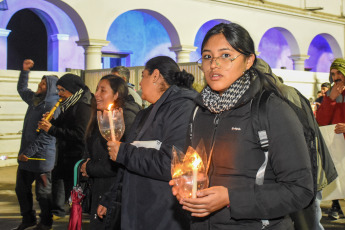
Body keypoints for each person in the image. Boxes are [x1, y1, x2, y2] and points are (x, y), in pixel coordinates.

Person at [170, 23, 314, 229]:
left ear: (248, 61)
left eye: (226, 55)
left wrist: (231, 198)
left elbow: (300, 190)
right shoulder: (199, 110)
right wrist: (184, 183)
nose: (214, 64)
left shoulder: (271, 110)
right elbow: (190, 166)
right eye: (208, 56)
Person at [98, 56, 198, 230]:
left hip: (163, 215)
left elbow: (171, 163)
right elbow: (127, 167)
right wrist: (111, 198)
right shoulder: (145, 113)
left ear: (155, 76)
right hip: (138, 212)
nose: (139, 82)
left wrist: (123, 152)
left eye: (143, 75)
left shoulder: (182, 109)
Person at [256, 58, 337, 230]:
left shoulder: (283, 94)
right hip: (296, 173)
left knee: (309, 223)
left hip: (306, 171)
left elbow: (305, 136)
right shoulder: (271, 95)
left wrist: (304, 177)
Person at [79, 75, 141, 229]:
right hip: (98, 189)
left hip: (112, 193)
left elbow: (121, 162)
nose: (97, 94)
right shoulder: (101, 117)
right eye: (97, 89)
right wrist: (84, 165)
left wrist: (89, 168)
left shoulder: (124, 120)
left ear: (116, 95)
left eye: (103, 90)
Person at [13, 59, 59, 230]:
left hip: (41, 158)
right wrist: (25, 71)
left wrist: (28, 152)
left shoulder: (52, 106)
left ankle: (46, 222)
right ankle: (28, 219)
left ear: (53, 87)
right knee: (21, 189)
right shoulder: (36, 100)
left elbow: (46, 137)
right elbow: (22, 89)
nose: (40, 84)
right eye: (41, 81)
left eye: (44, 83)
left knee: (43, 194)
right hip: (26, 156)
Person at [38, 74, 92, 219]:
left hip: (76, 158)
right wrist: (51, 122)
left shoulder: (82, 107)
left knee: (73, 193)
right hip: (66, 156)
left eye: (62, 90)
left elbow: (80, 135)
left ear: (73, 90)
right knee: (60, 184)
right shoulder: (69, 104)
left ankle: (72, 217)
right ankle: (59, 211)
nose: (59, 93)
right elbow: (64, 126)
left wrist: (52, 129)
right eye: (58, 90)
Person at [316, 58, 345, 220]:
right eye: (333, 74)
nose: (335, 77)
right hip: (336, 146)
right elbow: (321, 120)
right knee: (337, 178)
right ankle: (336, 206)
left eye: (338, 72)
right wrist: (330, 99)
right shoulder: (329, 95)